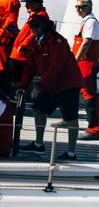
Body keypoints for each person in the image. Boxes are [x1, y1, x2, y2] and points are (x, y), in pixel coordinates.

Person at [16, 15, 82, 160]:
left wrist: (39, 86)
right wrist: (22, 86)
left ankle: (71, 153)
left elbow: (56, 66)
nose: (33, 28)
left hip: (68, 83)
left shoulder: (58, 41)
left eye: (36, 25)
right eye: (31, 26)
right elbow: (30, 67)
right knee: (38, 109)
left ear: (45, 26)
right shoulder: (35, 42)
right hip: (52, 83)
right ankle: (39, 145)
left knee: (71, 118)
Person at [72, 0, 99, 140]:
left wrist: (74, 61)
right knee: (86, 94)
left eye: (82, 7)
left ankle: (94, 129)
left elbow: (86, 43)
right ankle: (90, 126)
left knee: (89, 95)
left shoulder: (91, 22)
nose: (78, 9)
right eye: (77, 7)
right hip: (83, 64)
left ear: (89, 8)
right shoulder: (86, 22)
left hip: (87, 65)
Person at [9, 0, 49, 85]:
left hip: (22, 54)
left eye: (29, 3)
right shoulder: (36, 15)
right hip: (19, 53)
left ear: (38, 4)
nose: (26, 6)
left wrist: (23, 45)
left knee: (18, 82)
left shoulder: (40, 16)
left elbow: (35, 34)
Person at [0, 0, 20, 87]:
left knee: (2, 66)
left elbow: (10, 21)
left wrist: (1, 34)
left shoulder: (10, 0)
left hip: (5, 38)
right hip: (4, 36)